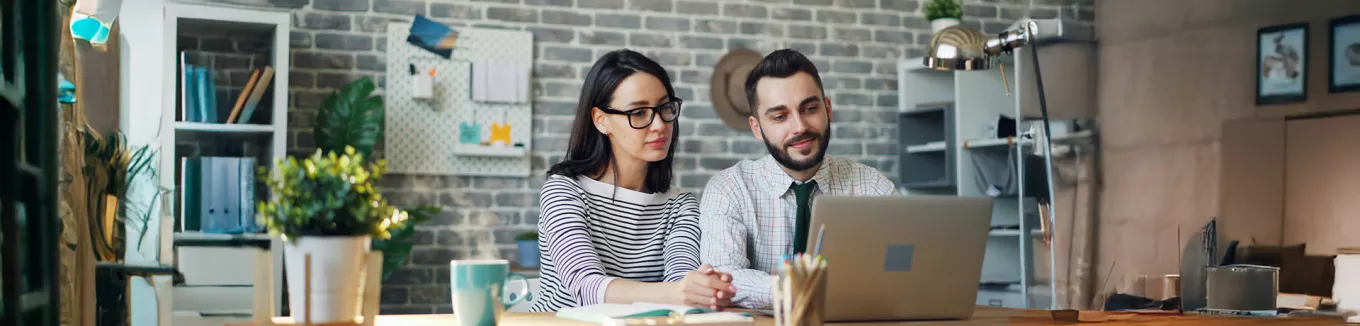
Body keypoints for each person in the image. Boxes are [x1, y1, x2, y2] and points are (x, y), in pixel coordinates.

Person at [531, 49, 737, 312]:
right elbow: (586, 286)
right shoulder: (564, 190)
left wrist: (699, 289)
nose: (660, 125)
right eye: (638, 112)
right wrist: (679, 292)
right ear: (601, 120)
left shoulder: (680, 205)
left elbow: (680, 283)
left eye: (665, 108)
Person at [699, 49, 896, 309]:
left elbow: (903, 271)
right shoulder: (728, 189)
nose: (800, 127)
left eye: (810, 108)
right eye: (780, 116)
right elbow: (724, 278)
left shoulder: (871, 187)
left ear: (828, 109)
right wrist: (796, 290)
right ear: (757, 128)